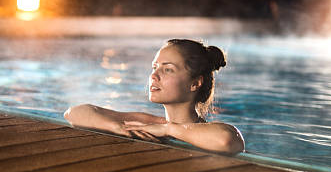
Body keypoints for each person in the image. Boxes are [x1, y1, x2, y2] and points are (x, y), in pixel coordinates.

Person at [64, 38, 244, 155]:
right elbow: (75, 113)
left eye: (168, 69)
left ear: (195, 83)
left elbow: (227, 140)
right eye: (154, 67)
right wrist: (116, 127)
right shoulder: (148, 122)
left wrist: (169, 129)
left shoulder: (208, 132)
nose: (153, 76)